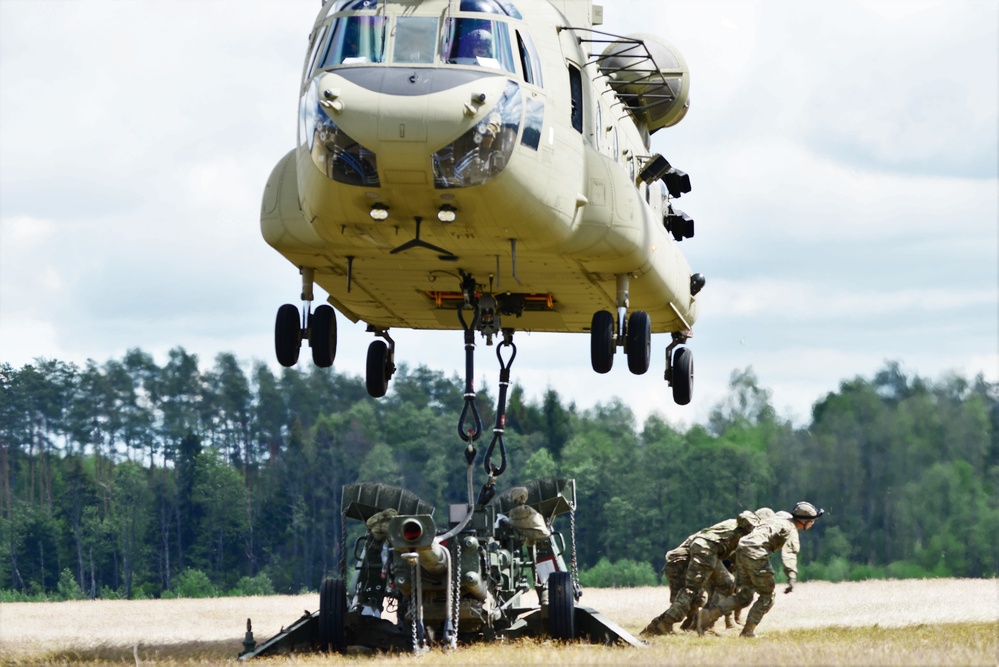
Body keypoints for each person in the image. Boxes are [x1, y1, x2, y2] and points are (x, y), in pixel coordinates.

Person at [698, 501, 824, 638]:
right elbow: (790, 554)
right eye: (812, 521)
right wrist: (791, 576)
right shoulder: (791, 530)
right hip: (756, 553)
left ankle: (707, 616)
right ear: (804, 521)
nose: (813, 523)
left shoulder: (780, 518)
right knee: (767, 597)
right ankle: (747, 632)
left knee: (744, 596)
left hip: (742, 548)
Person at [639, 510, 760, 637]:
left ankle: (682, 626)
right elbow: (744, 519)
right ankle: (665, 625)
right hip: (690, 556)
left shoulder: (731, 532)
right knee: (693, 593)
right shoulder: (746, 526)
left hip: (702, 551)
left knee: (717, 588)